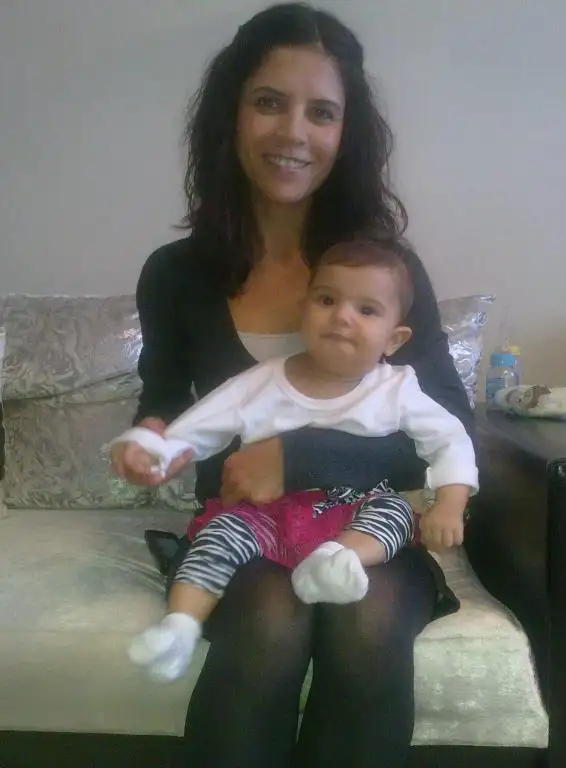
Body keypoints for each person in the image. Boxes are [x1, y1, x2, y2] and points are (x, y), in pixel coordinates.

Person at [110, 4, 475, 766]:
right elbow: (166, 402)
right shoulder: (175, 274)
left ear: (347, 132)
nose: (294, 133)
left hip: (368, 522)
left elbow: (446, 423)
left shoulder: (381, 274)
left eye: (322, 112)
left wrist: (300, 457)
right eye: (269, 102)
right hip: (245, 524)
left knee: (368, 621)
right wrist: (151, 442)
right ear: (231, 114)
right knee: (269, 621)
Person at [112, 238, 477, 684]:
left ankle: (340, 561)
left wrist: (450, 504)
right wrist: (154, 451)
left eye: (366, 310)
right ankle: (180, 626)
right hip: (267, 513)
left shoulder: (398, 389)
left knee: (396, 512)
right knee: (220, 535)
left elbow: (451, 440)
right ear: (303, 311)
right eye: (327, 301)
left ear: (394, 338)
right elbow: (199, 425)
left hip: (357, 514)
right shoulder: (263, 381)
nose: (342, 316)